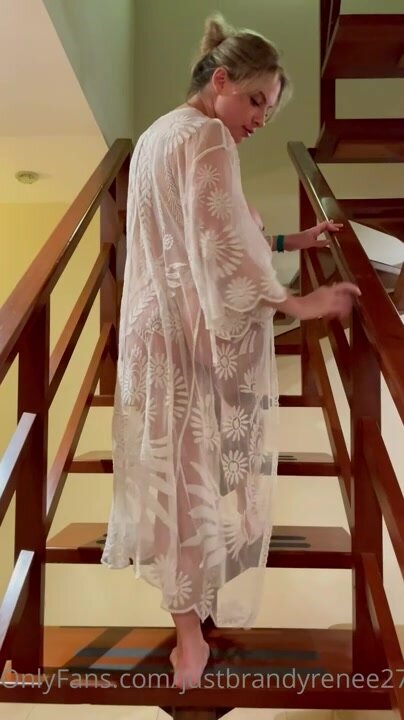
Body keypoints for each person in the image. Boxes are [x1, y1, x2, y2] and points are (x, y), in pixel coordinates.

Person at [101, 13, 360, 690]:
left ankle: (193, 614)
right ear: (221, 81)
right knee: (190, 476)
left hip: (149, 329)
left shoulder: (158, 136)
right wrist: (296, 303)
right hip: (183, 329)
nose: (259, 120)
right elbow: (219, 244)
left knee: (177, 472)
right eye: (256, 101)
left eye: (268, 111)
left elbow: (209, 228)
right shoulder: (209, 136)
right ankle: (190, 636)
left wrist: (290, 244)